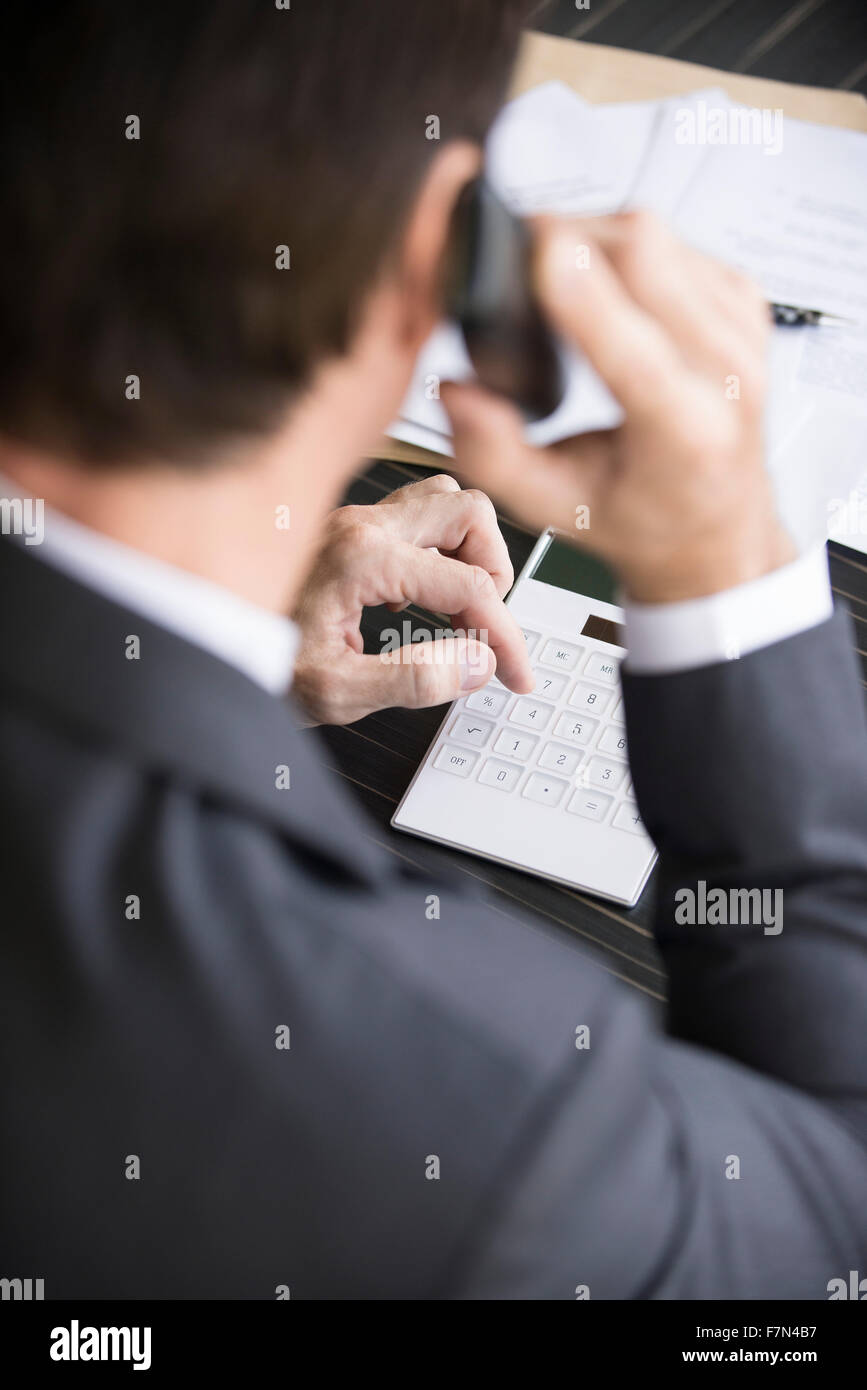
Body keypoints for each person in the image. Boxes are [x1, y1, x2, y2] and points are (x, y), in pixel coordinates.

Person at [0, 0, 865, 1300]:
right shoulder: (471, 1113)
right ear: (438, 253)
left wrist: (209, 640)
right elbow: (829, 1207)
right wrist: (730, 558)